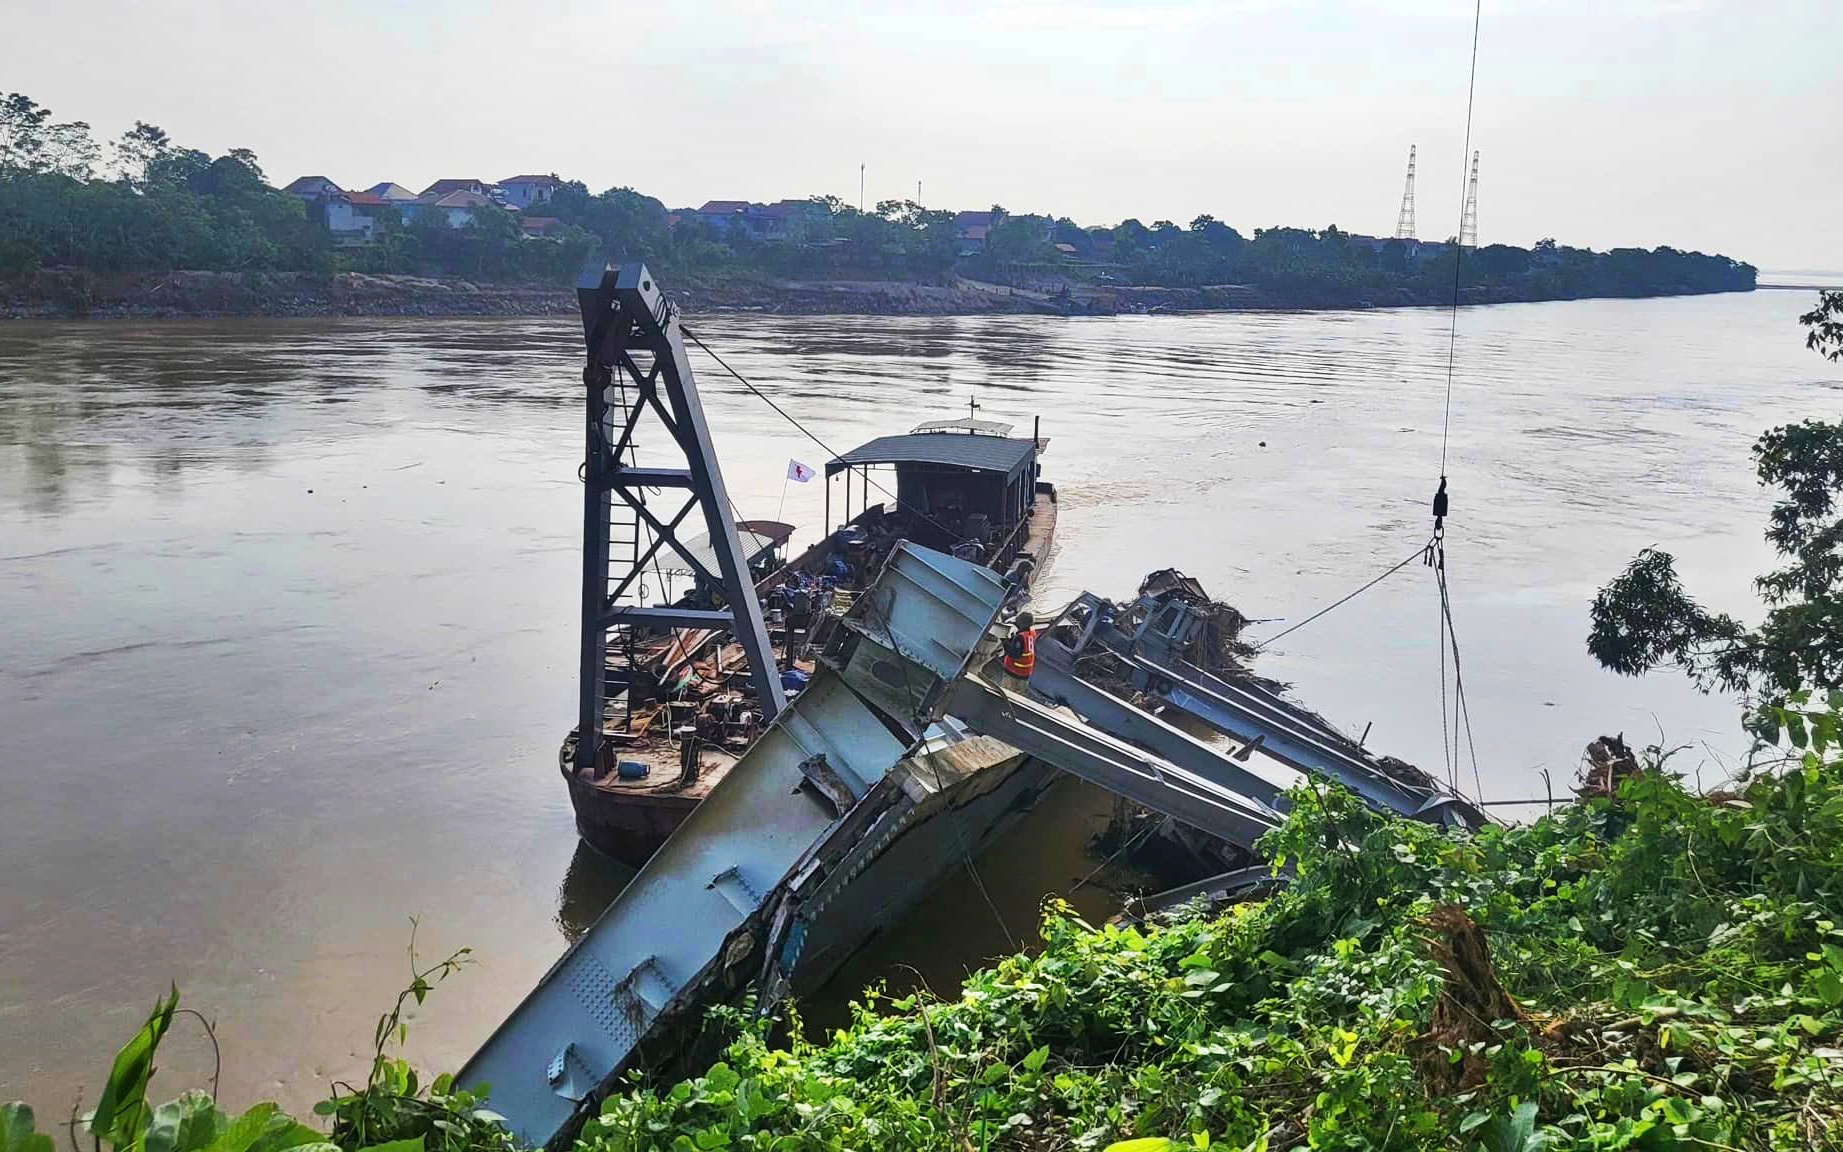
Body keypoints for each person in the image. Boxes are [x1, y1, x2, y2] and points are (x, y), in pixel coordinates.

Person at [994, 610, 1038, 694]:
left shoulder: (1020, 638)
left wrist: (1004, 641)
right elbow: (1023, 648)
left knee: (1005, 694)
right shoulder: (1032, 633)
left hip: (1014, 672)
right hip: (1025, 674)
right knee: (1016, 697)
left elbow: (1013, 654)